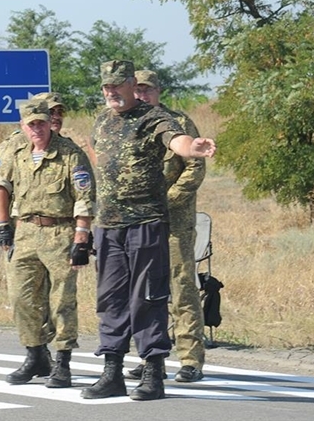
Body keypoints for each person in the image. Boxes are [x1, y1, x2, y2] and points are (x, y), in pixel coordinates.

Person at [80, 60, 216, 401]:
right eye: (105, 87)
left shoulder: (152, 117)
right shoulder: (102, 120)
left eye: (117, 85)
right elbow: (98, 154)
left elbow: (176, 140)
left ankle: (154, 372)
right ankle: (112, 372)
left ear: (131, 84)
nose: (111, 92)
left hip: (146, 221)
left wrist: (192, 147)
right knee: (111, 298)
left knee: (149, 297)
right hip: (109, 223)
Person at [0, 99, 96, 389]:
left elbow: (84, 197)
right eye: (30, 124)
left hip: (60, 232)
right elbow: (0, 184)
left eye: (41, 123)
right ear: (23, 127)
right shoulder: (18, 152)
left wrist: (82, 237)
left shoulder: (71, 154)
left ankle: (62, 362)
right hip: (24, 232)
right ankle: (36, 354)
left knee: (61, 300)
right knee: (21, 297)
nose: (36, 129)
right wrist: (2, 228)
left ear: (50, 123)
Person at [125, 69, 207, 383]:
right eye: (137, 91)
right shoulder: (131, 127)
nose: (142, 96)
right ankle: (150, 355)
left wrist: (165, 201)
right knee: (144, 291)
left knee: (182, 287)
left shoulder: (180, 123)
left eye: (147, 90)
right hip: (140, 223)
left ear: (158, 91)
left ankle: (190, 360)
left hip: (174, 222)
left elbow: (195, 169)